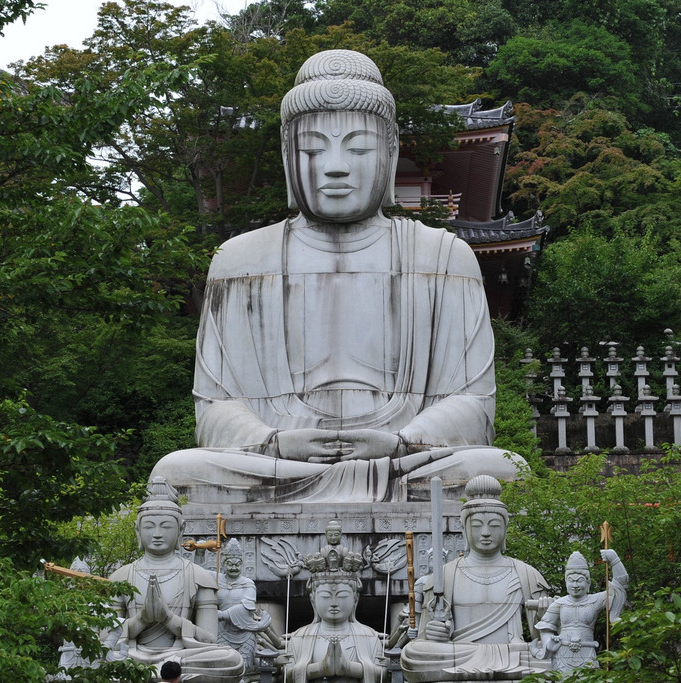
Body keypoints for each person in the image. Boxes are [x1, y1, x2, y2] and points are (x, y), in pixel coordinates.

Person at [149, 49, 520, 504]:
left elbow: (473, 404)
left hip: (401, 460)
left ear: (390, 152)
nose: (336, 165)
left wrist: (401, 442)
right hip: (279, 461)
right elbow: (215, 408)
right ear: (289, 157)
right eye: (313, 149)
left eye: (358, 148)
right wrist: (276, 442)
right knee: (176, 469)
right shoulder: (238, 260)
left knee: (503, 466)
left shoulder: (445, 256)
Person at [401, 475, 553, 683]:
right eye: (477, 525)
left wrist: (544, 619)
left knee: (553, 655)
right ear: (464, 529)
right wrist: (432, 634)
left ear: (506, 529)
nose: (486, 533)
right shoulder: (444, 576)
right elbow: (423, 639)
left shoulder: (527, 574)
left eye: (494, 525)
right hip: (462, 654)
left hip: (514, 654)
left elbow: (544, 640)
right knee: (413, 654)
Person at [104, 478, 244, 683]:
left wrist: (168, 618)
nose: (158, 534)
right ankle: (166, 674)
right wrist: (142, 619)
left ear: (180, 530)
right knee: (97, 658)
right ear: (137, 530)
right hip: (133, 655)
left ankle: (152, 674)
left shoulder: (198, 576)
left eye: (166, 527)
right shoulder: (120, 577)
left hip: (182, 655)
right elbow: (108, 639)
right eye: (149, 526)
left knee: (231, 659)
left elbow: (209, 639)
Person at [282, 529, 385, 683]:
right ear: (313, 599)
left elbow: (383, 675)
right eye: (325, 597)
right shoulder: (300, 637)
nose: (334, 603)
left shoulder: (369, 636)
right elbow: (287, 677)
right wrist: (321, 669)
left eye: (343, 596)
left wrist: (351, 673)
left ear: (355, 599)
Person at [533, 549, 629, 673]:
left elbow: (619, 588)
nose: (575, 585)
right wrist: (549, 643)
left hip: (587, 653)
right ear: (566, 582)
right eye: (571, 581)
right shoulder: (559, 603)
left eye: (579, 580)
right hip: (562, 655)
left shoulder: (595, 600)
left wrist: (615, 561)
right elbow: (545, 627)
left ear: (588, 583)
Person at [217, 538, 281, 676]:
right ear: (223, 563)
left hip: (245, 635)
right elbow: (197, 575)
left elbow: (246, 607)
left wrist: (221, 615)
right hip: (222, 633)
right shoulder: (216, 579)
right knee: (221, 668)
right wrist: (199, 553)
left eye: (237, 564)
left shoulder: (248, 584)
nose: (234, 568)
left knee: (244, 671)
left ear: (242, 564)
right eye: (230, 564)